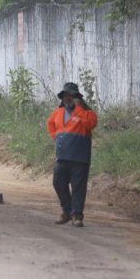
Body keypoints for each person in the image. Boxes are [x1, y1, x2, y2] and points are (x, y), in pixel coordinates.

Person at [46, 82, 98, 227]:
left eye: (71, 96)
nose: (68, 98)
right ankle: (67, 211)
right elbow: (50, 123)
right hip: (62, 157)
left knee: (78, 188)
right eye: (65, 96)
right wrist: (55, 136)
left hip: (80, 158)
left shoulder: (87, 113)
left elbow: (90, 124)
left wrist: (79, 108)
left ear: (78, 98)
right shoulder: (57, 113)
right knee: (58, 183)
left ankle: (77, 216)